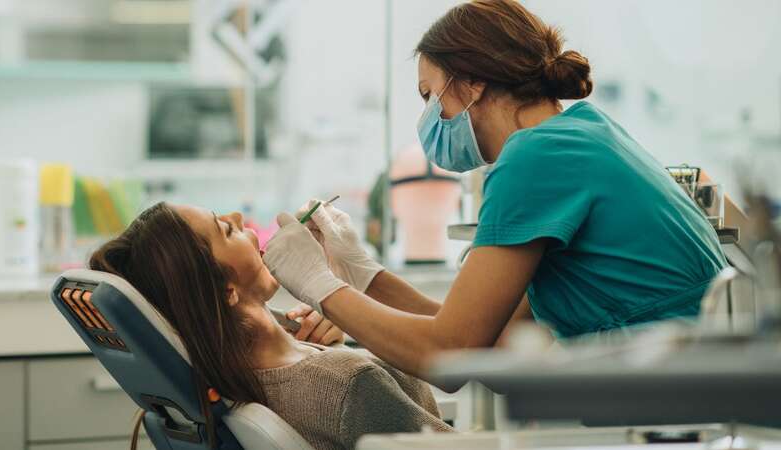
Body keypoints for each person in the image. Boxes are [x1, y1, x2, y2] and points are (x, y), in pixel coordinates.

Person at [262, 0, 728, 379]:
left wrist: (319, 285)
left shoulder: (537, 157)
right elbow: (490, 338)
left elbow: (451, 354)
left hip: (675, 399)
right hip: (691, 389)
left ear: (473, 82)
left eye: (429, 95)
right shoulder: (582, 133)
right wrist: (363, 276)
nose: (427, 117)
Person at [89, 202, 451, 450]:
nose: (239, 217)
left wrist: (343, 324)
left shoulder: (235, 377)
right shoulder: (348, 383)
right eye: (227, 230)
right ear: (227, 290)